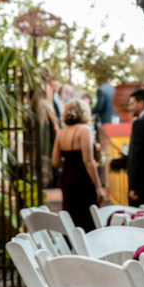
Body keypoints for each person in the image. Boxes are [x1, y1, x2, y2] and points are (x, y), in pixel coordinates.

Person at [52, 98, 106, 232]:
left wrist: (70, 161)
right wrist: (99, 187)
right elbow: (88, 161)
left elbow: (55, 161)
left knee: (71, 218)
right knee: (87, 220)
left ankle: (72, 248)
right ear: (84, 112)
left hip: (67, 178)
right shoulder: (84, 130)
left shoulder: (61, 133)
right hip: (83, 180)